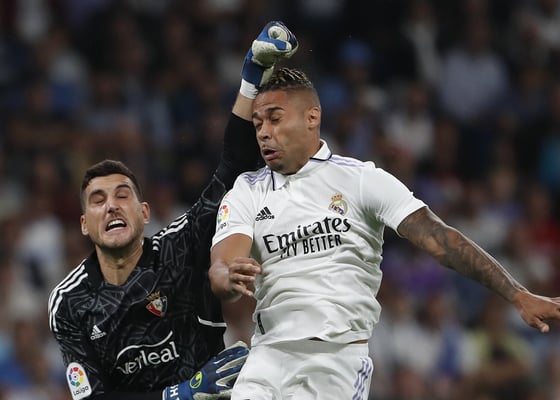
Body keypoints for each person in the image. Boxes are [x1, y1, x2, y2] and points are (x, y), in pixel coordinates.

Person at [208, 67, 560, 400]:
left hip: (336, 361)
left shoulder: (361, 180)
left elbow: (442, 241)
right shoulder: (247, 191)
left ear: (312, 117)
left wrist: (517, 295)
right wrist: (228, 278)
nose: (264, 133)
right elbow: (222, 267)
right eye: (258, 123)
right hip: (267, 357)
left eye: (275, 119)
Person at [47, 21, 298, 400]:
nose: (111, 205)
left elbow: (232, 170)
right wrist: (180, 394)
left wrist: (252, 78)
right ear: (84, 224)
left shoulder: (181, 246)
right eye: (98, 200)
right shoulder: (70, 302)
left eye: (122, 195)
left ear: (145, 213)